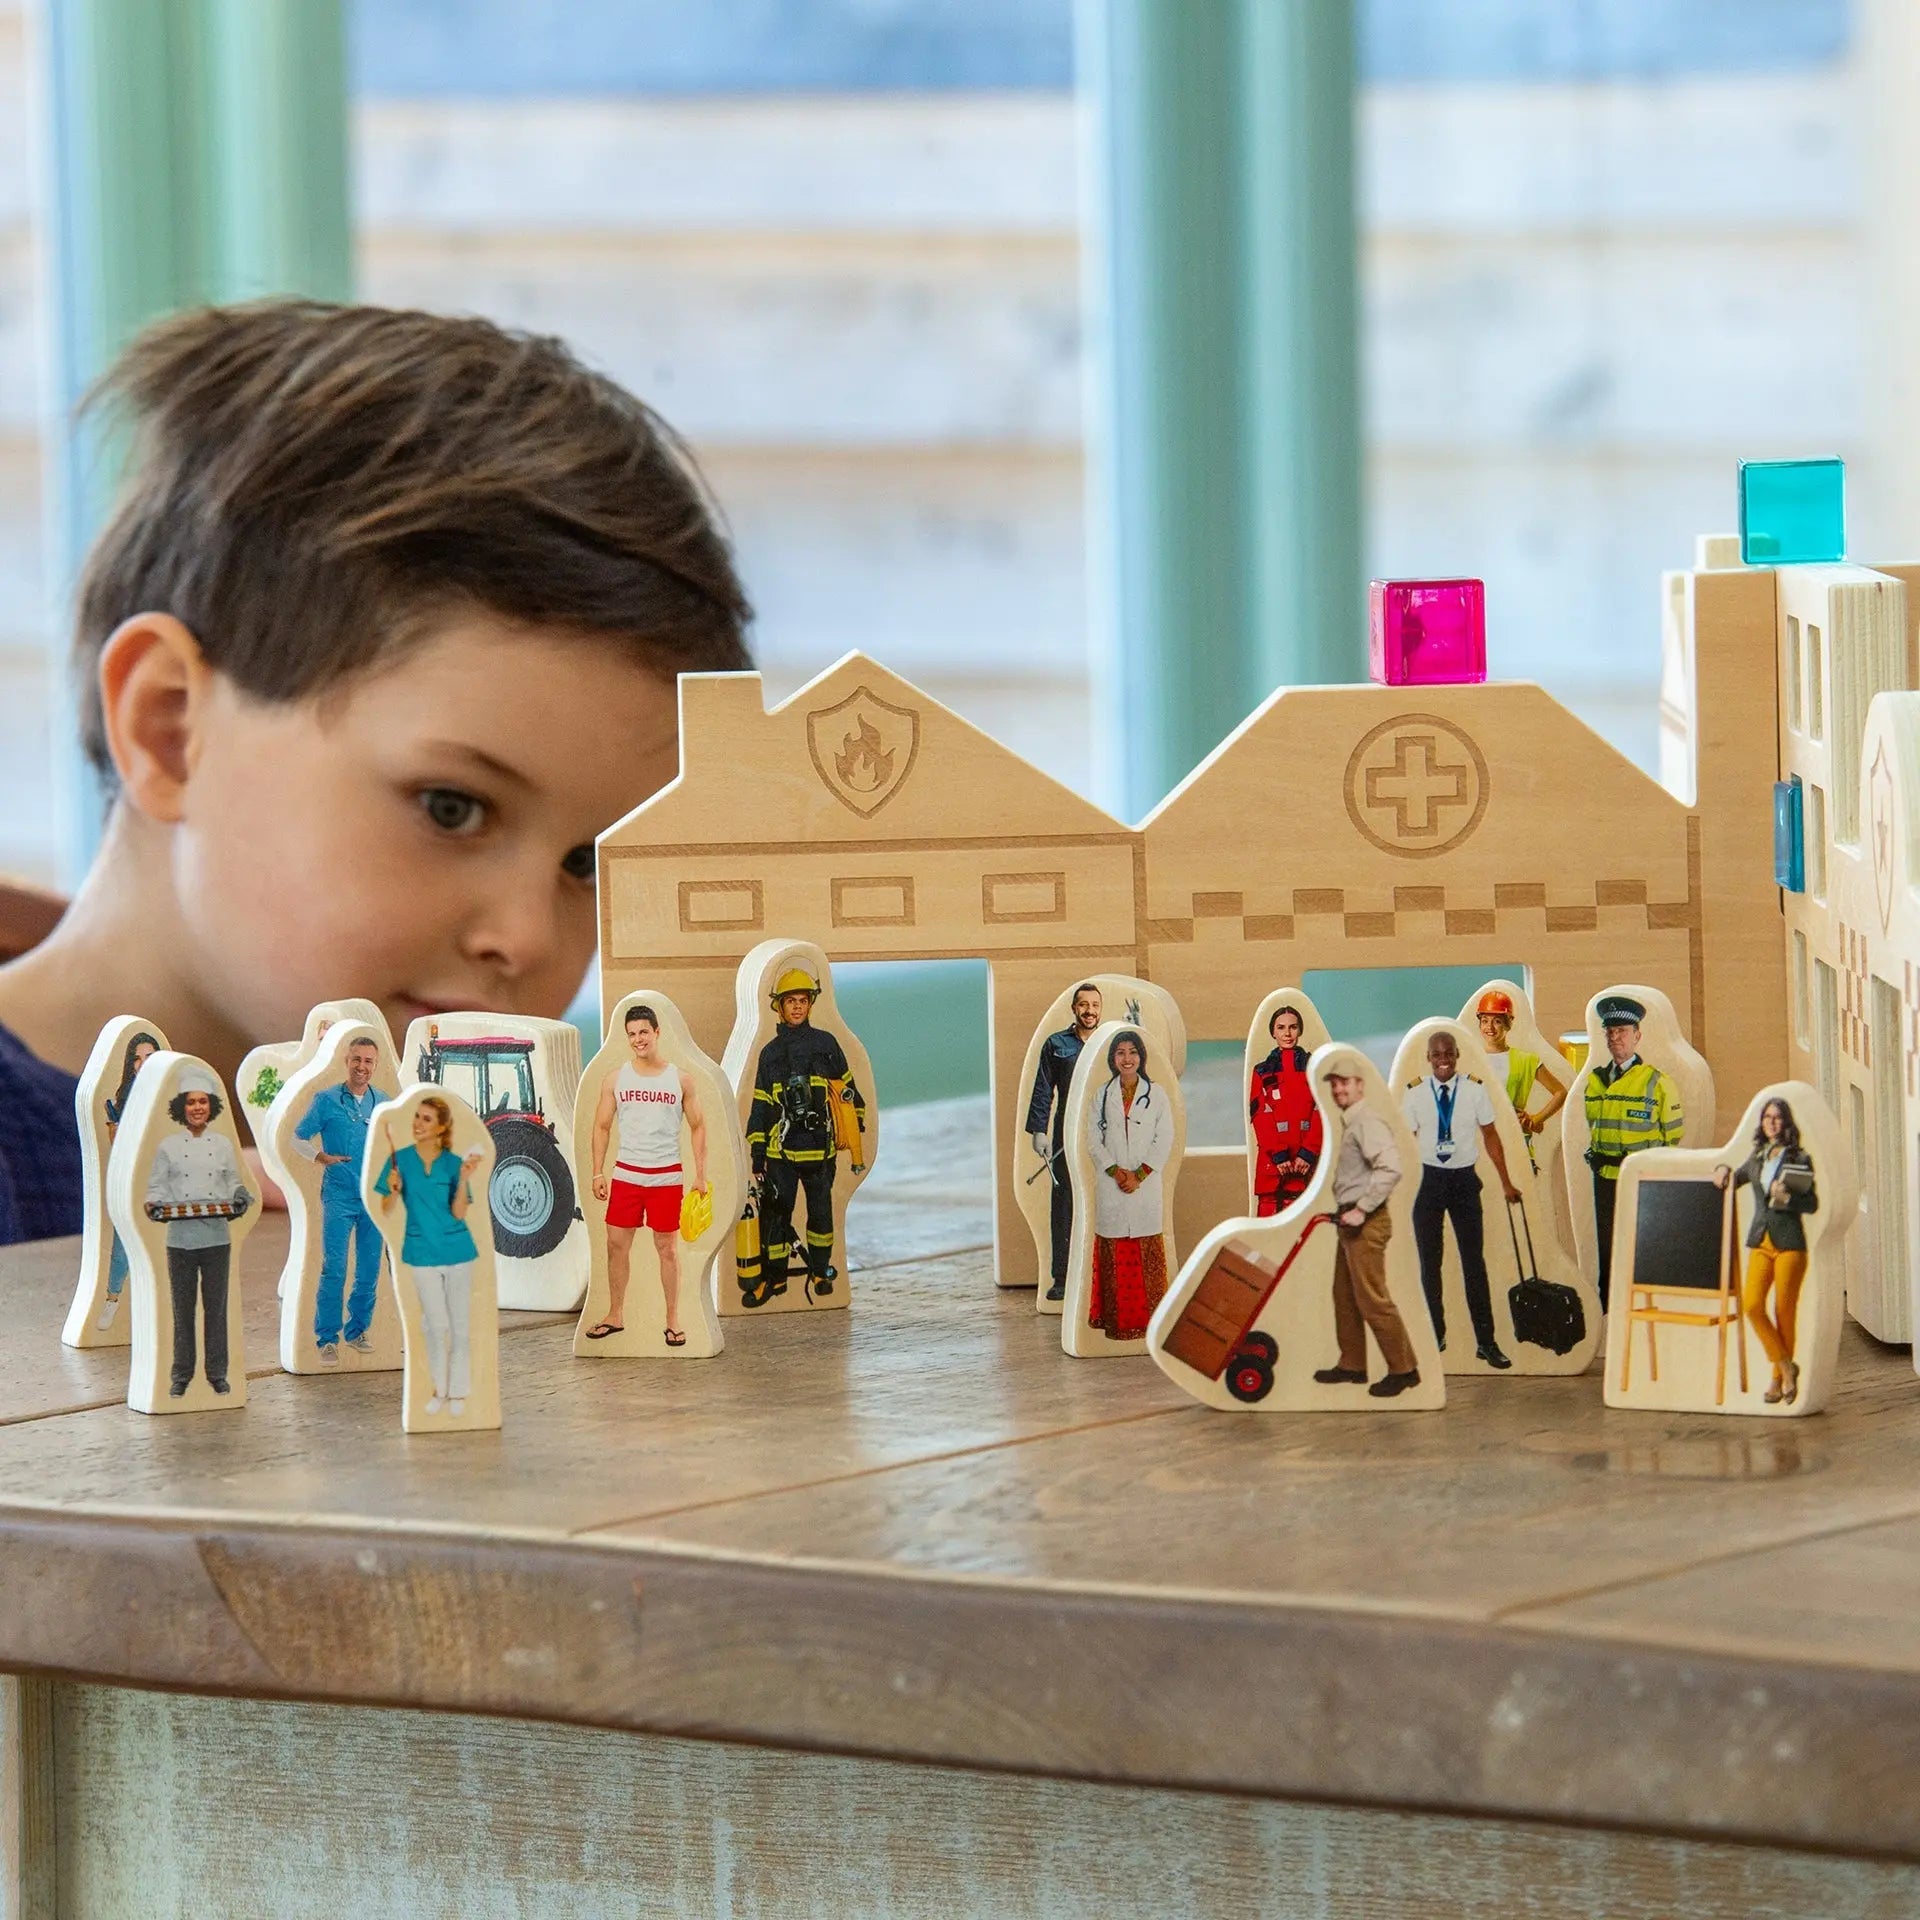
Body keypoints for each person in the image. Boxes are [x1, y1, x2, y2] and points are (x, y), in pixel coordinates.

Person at [0, 299, 753, 1249]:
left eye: (587, 864)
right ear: (169, 729)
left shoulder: (508, 1157)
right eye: (453, 807)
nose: (526, 938)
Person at [586, 1003, 710, 1346]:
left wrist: (701, 1174)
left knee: (667, 1248)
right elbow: (601, 1126)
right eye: (631, 1034)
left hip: (666, 1177)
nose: (638, 1039)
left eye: (643, 1032)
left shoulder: (681, 1079)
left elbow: (699, 1125)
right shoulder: (615, 1079)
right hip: (627, 1175)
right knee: (615, 1245)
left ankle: (672, 1320)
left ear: (657, 1033)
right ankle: (615, 1314)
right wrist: (598, 1172)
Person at [1403, 1029, 1521, 1369]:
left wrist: (1506, 1183)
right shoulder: (1413, 1094)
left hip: (1464, 1183)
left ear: (1457, 1055)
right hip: (1428, 1182)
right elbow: (1407, 1143)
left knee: (1474, 1264)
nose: (1444, 1060)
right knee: (1430, 1264)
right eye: (1437, 1054)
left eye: (1449, 1054)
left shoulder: (1473, 1090)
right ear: (1428, 1058)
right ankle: (1433, 1336)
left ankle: (1486, 1342)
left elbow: (1491, 1136)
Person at [748, 968, 865, 1306]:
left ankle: (820, 1272)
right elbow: (761, 1104)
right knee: (776, 1218)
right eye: (790, 1002)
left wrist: (856, 1129)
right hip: (780, 1154)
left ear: (810, 1003)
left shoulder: (825, 1044)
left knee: (821, 1216)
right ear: (779, 1007)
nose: (797, 1007)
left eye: (802, 1001)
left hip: (819, 1151)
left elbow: (847, 1090)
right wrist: (758, 1156)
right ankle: (775, 1279)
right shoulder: (770, 1053)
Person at [1314, 1057, 1421, 1398]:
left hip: (1366, 1221)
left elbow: (1390, 1168)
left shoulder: (1367, 1122)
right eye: (1334, 1084)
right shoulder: (1352, 1122)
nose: (1338, 1089)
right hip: (1350, 1219)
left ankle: (1404, 1370)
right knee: (1344, 1296)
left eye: (1344, 1082)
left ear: (1360, 1085)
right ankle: (1352, 1365)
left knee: (1372, 1299)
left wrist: (1361, 1209)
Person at [143, 1068, 251, 1397]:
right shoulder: (168, 1147)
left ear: (211, 1106)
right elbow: (157, 1187)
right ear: (182, 1107)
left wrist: (240, 1195)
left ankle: (217, 1373)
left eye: (203, 1101)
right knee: (182, 1310)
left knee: (216, 1311)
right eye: (191, 1102)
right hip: (180, 1241)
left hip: (217, 1238)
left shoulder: (222, 1145)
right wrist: (155, 1204)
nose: (198, 1107)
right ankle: (181, 1374)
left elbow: (233, 1180)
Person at [376, 1095, 485, 1417]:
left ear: (440, 1128)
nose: (417, 1124)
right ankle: (439, 1389)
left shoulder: (453, 1164)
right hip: (421, 1251)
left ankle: (458, 1394)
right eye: (417, 1117)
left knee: (461, 1327)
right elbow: (385, 1209)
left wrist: (464, 1179)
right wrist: (393, 1192)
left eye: (426, 1119)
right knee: (435, 1326)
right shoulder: (400, 1160)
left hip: (457, 1251)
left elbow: (459, 1213)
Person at [293, 1036, 394, 1364]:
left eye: (368, 1061)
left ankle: (357, 1330)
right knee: (334, 1267)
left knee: (368, 1270)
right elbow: (298, 1137)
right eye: (356, 1060)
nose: (362, 1067)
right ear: (346, 1061)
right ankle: (327, 1338)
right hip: (339, 1195)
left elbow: (394, 1147)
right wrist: (320, 1157)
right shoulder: (326, 1100)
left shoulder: (384, 1103)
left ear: (375, 1065)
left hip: (372, 1199)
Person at [1714, 1096, 1819, 1405]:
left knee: (1783, 1311)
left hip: (1789, 1243)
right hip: (1761, 1241)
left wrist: (1785, 1196)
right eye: (1767, 1117)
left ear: (1786, 1123)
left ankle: (1777, 1379)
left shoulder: (1798, 1158)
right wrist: (1721, 1170)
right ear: (1762, 1123)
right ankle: (1787, 1366)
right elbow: (1736, 1179)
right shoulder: (1758, 1155)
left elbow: (1811, 1203)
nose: (1772, 1122)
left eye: (1777, 1118)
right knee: (1752, 1306)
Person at [1584, 995, 1684, 1310]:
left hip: (1643, 1180)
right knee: (1608, 1251)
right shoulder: (1595, 1082)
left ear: (1637, 1035)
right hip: (1605, 1178)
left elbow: (1673, 1136)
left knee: (1642, 1248)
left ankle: (1646, 1310)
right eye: (1610, 1032)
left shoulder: (1658, 1083)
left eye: (1622, 1031)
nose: (1615, 1039)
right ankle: (1609, 1314)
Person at [1081, 1029, 1173, 1340]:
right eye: (1120, 1052)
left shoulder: (1156, 1094)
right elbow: (1093, 1140)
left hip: (1145, 1187)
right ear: (1112, 1059)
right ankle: (1117, 1325)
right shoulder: (1101, 1096)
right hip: (1113, 1186)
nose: (1127, 1058)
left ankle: (1153, 1324)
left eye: (1132, 1052)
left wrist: (1140, 1175)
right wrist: (1115, 1171)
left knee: (1145, 1253)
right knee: (1117, 1253)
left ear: (1141, 1056)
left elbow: (1165, 1138)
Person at [1025, 982, 1103, 1300]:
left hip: (1104, 1132)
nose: (1089, 1011)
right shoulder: (1056, 1044)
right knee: (1065, 1202)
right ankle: (1062, 1277)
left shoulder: (1109, 1042)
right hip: (1066, 1132)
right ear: (1074, 1008)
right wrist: (1039, 1132)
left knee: (1105, 1201)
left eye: (1095, 1005)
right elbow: (1044, 1090)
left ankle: (1099, 1275)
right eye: (1083, 1005)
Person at [96, 1028, 160, 1330]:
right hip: (131, 1176)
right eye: (137, 1058)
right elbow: (116, 1142)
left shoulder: (170, 1094)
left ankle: (156, 1304)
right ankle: (112, 1300)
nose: (143, 1063)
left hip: (164, 1178)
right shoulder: (122, 1098)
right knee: (123, 1240)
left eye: (149, 1056)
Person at [1473, 989, 1566, 1171]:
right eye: (1485, 1021)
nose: (1489, 1027)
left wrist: (1536, 1119)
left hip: (1514, 1140)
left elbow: (1560, 1092)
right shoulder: (1471, 1059)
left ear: (1508, 1024)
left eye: (1497, 1021)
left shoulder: (1526, 1060)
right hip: (1479, 1141)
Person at [1248, 1003, 1323, 1216]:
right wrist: (1279, 1155)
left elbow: (1322, 1111)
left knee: (1310, 1229)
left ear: (1300, 1030)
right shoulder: (1262, 1072)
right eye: (1281, 1028)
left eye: (1293, 1027)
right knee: (1268, 1232)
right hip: (1274, 1165)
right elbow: (1259, 1116)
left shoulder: (1315, 1068)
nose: (1287, 1033)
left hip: (1307, 1163)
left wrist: (1308, 1154)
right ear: (1273, 1032)